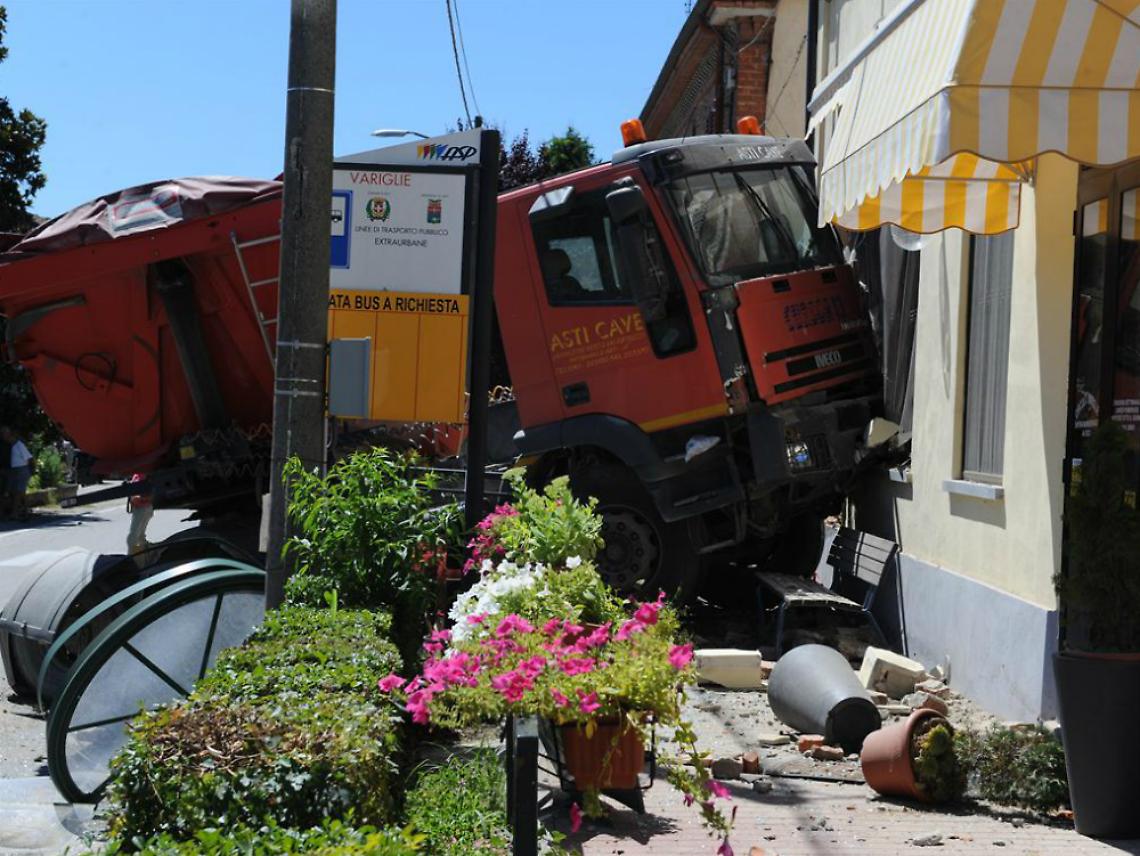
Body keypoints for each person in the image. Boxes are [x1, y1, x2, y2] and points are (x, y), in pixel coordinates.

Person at [1, 427, 33, 521]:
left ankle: (15, 513)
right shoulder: (10, 446)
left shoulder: (19, 445)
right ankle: (25, 511)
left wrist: (29, 469)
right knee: (18, 492)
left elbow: (29, 458)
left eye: (4, 434)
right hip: (15, 470)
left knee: (18, 493)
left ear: (9, 435)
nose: (3, 437)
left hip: (21, 470)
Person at [126, 472, 154, 558]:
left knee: (132, 537)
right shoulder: (137, 474)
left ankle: (131, 558)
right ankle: (146, 555)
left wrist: (136, 498)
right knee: (140, 537)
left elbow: (150, 493)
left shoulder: (146, 475)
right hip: (140, 509)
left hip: (143, 509)